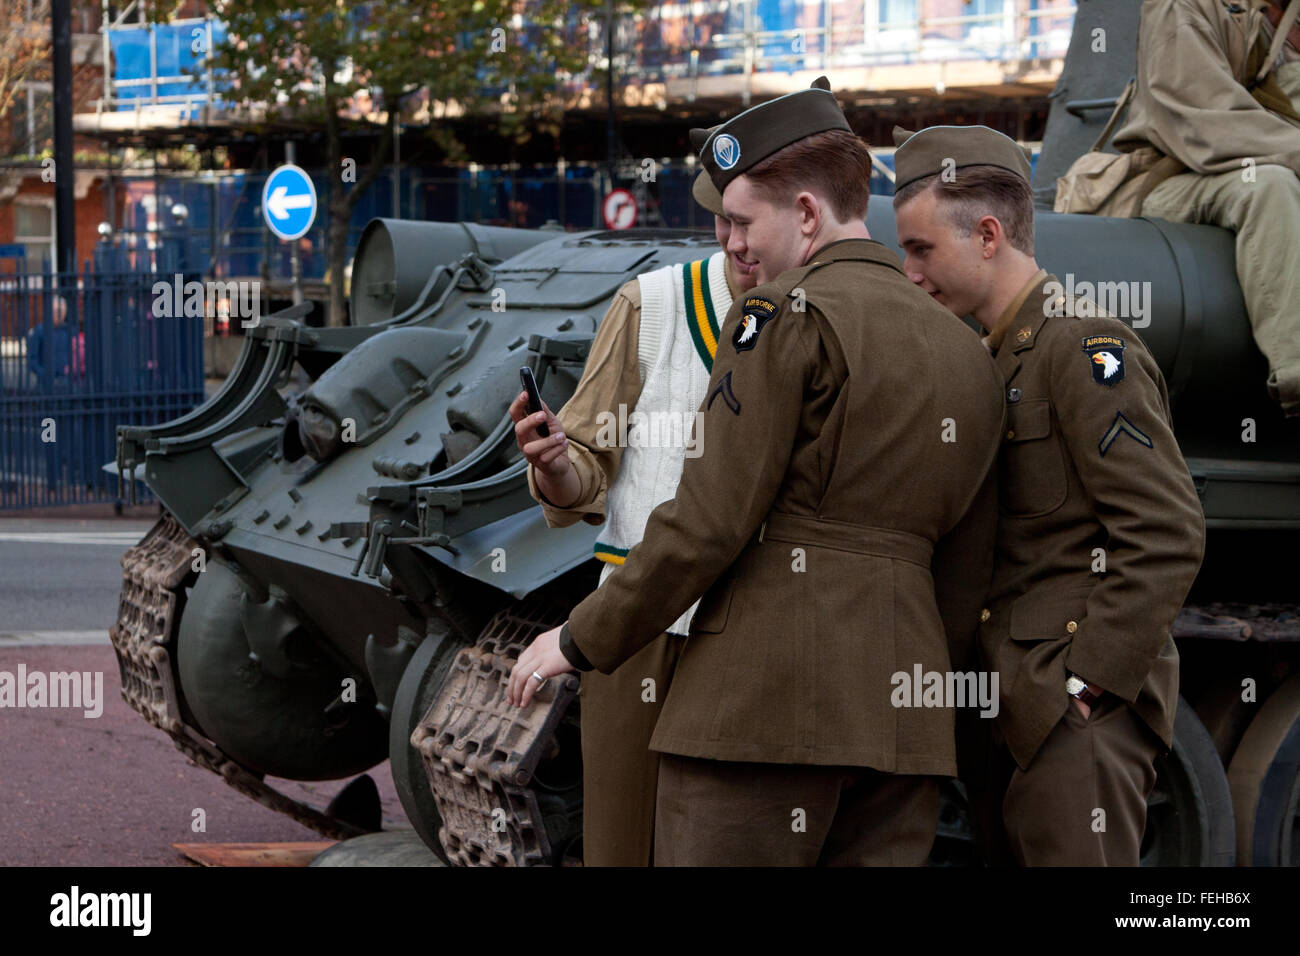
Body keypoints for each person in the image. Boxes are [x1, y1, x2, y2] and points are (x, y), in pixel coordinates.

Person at [507, 77, 1004, 866]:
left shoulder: (778, 316)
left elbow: (708, 522)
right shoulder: (967, 349)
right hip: (904, 728)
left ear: (806, 214)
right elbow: (968, 565)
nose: (732, 243)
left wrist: (576, 638)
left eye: (742, 222)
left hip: (756, 718)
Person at [892, 123, 1207, 865]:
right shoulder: (992, 356)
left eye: (921, 248)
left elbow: (1166, 529)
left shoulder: (1083, 346)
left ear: (990, 234)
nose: (911, 273)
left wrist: (1090, 681)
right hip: (1009, 709)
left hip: (1068, 715)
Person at [508, 148, 758, 867]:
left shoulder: (824, 308)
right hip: (641, 621)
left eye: (748, 220)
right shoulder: (653, 305)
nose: (735, 240)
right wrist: (556, 462)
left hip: (763, 618)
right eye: (722, 219)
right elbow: (584, 472)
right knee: (624, 838)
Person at [1109, 0, 1300, 415]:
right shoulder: (1182, 5)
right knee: (1269, 186)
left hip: (1267, 162)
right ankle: (1296, 378)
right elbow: (1204, 122)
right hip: (1174, 175)